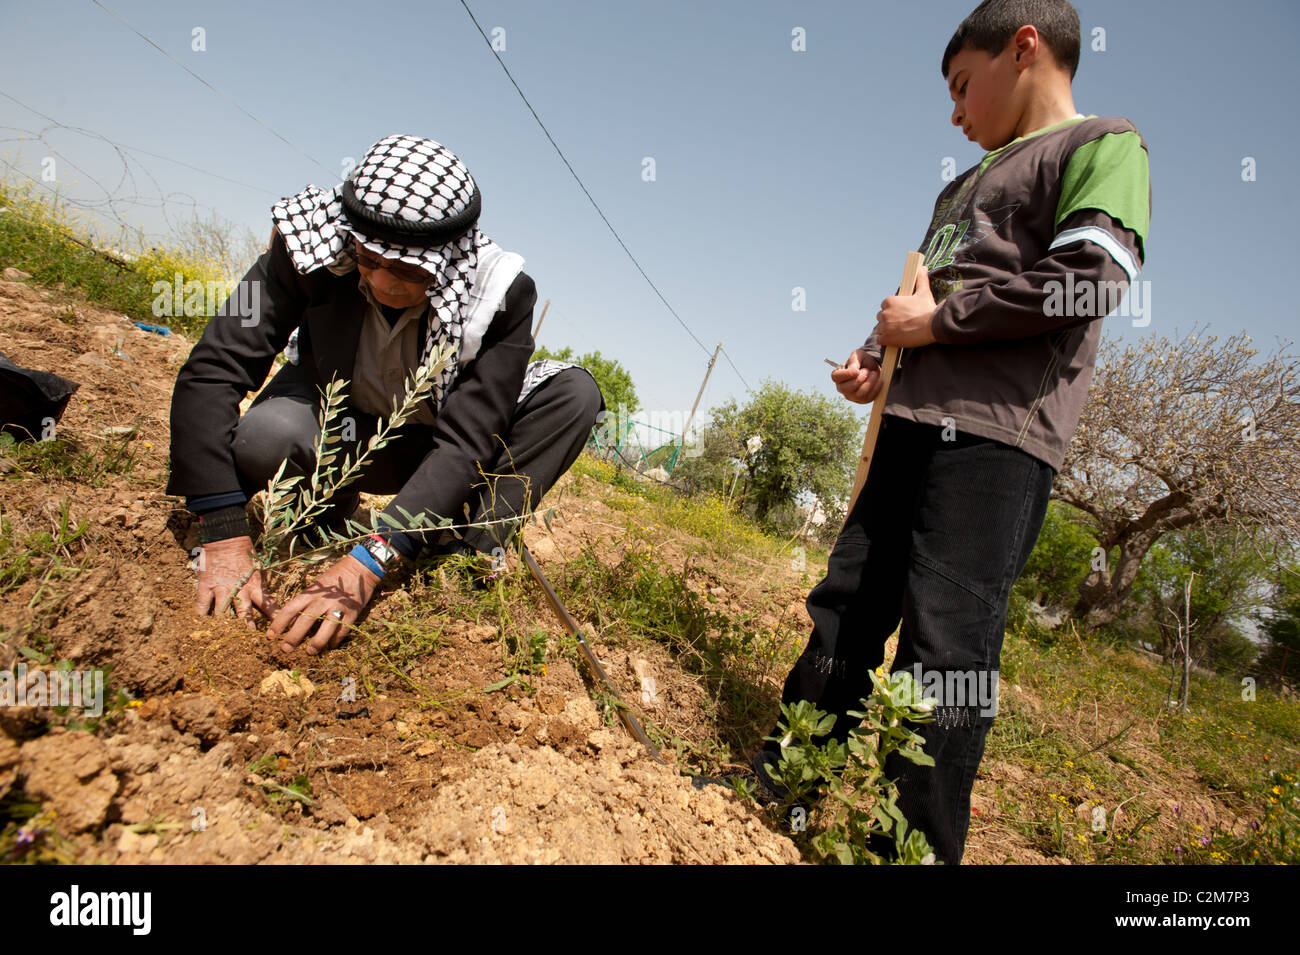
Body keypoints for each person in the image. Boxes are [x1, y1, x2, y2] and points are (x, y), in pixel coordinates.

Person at [752, 0, 1150, 864]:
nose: (956, 114)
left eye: (964, 87)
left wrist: (934, 327)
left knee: (945, 651)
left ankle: (909, 850)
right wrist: (875, 354)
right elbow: (924, 294)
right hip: (906, 423)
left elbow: (1090, 278)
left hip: (997, 442)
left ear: (1025, 48)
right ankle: (783, 791)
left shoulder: (1103, 145)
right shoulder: (958, 187)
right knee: (847, 609)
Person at [166, 134, 603, 656]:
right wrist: (222, 529)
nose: (380, 281)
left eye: (408, 272)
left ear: (449, 260)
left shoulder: (501, 296)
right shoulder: (313, 248)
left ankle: (458, 551)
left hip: (427, 450)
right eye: (368, 260)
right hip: (335, 433)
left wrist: (368, 563)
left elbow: (465, 444)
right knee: (266, 437)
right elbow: (215, 368)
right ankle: (328, 506)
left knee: (575, 392)